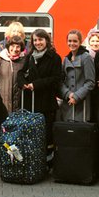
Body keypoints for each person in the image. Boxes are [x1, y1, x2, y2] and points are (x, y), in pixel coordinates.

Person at [17, 28, 62, 156]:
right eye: (35, 40)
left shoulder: (55, 57)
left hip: (46, 102)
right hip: (29, 101)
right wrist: (23, 83)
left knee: (46, 134)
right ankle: (32, 160)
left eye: (40, 39)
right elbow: (20, 73)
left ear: (47, 40)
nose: (38, 43)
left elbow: (55, 78)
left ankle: (47, 162)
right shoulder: (30, 56)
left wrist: (35, 85)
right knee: (30, 133)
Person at [0, 35, 26, 168]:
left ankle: (11, 158)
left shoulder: (24, 61)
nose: (15, 49)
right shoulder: (0, 58)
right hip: (0, 102)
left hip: (18, 103)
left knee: (15, 133)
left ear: (21, 48)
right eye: (12, 46)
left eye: (18, 47)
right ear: (8, 47)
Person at [59, 30, 95, 122]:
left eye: (75, 41)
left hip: (82, 103)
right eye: (70, 41)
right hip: (67, 103)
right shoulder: (66, 59)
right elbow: (60, 80)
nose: (72, 43)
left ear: (80, 42)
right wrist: (68, 94)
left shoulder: (86, 57)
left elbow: (90, 82)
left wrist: (76, 96)